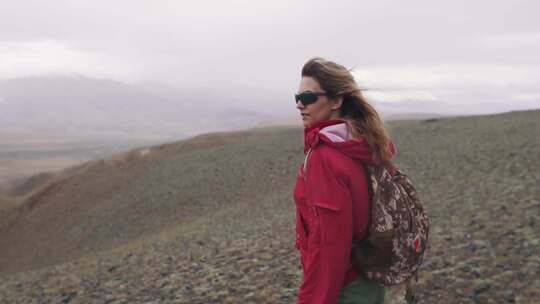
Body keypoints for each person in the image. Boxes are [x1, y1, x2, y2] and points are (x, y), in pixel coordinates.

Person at [293, 57, 397, 304]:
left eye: (308, 98)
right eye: (297, 98)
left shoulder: (324, 158)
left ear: (337, 100)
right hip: (370, 281)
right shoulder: (364, 144)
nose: (299, 105)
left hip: (344, 288)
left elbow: (329, 245)